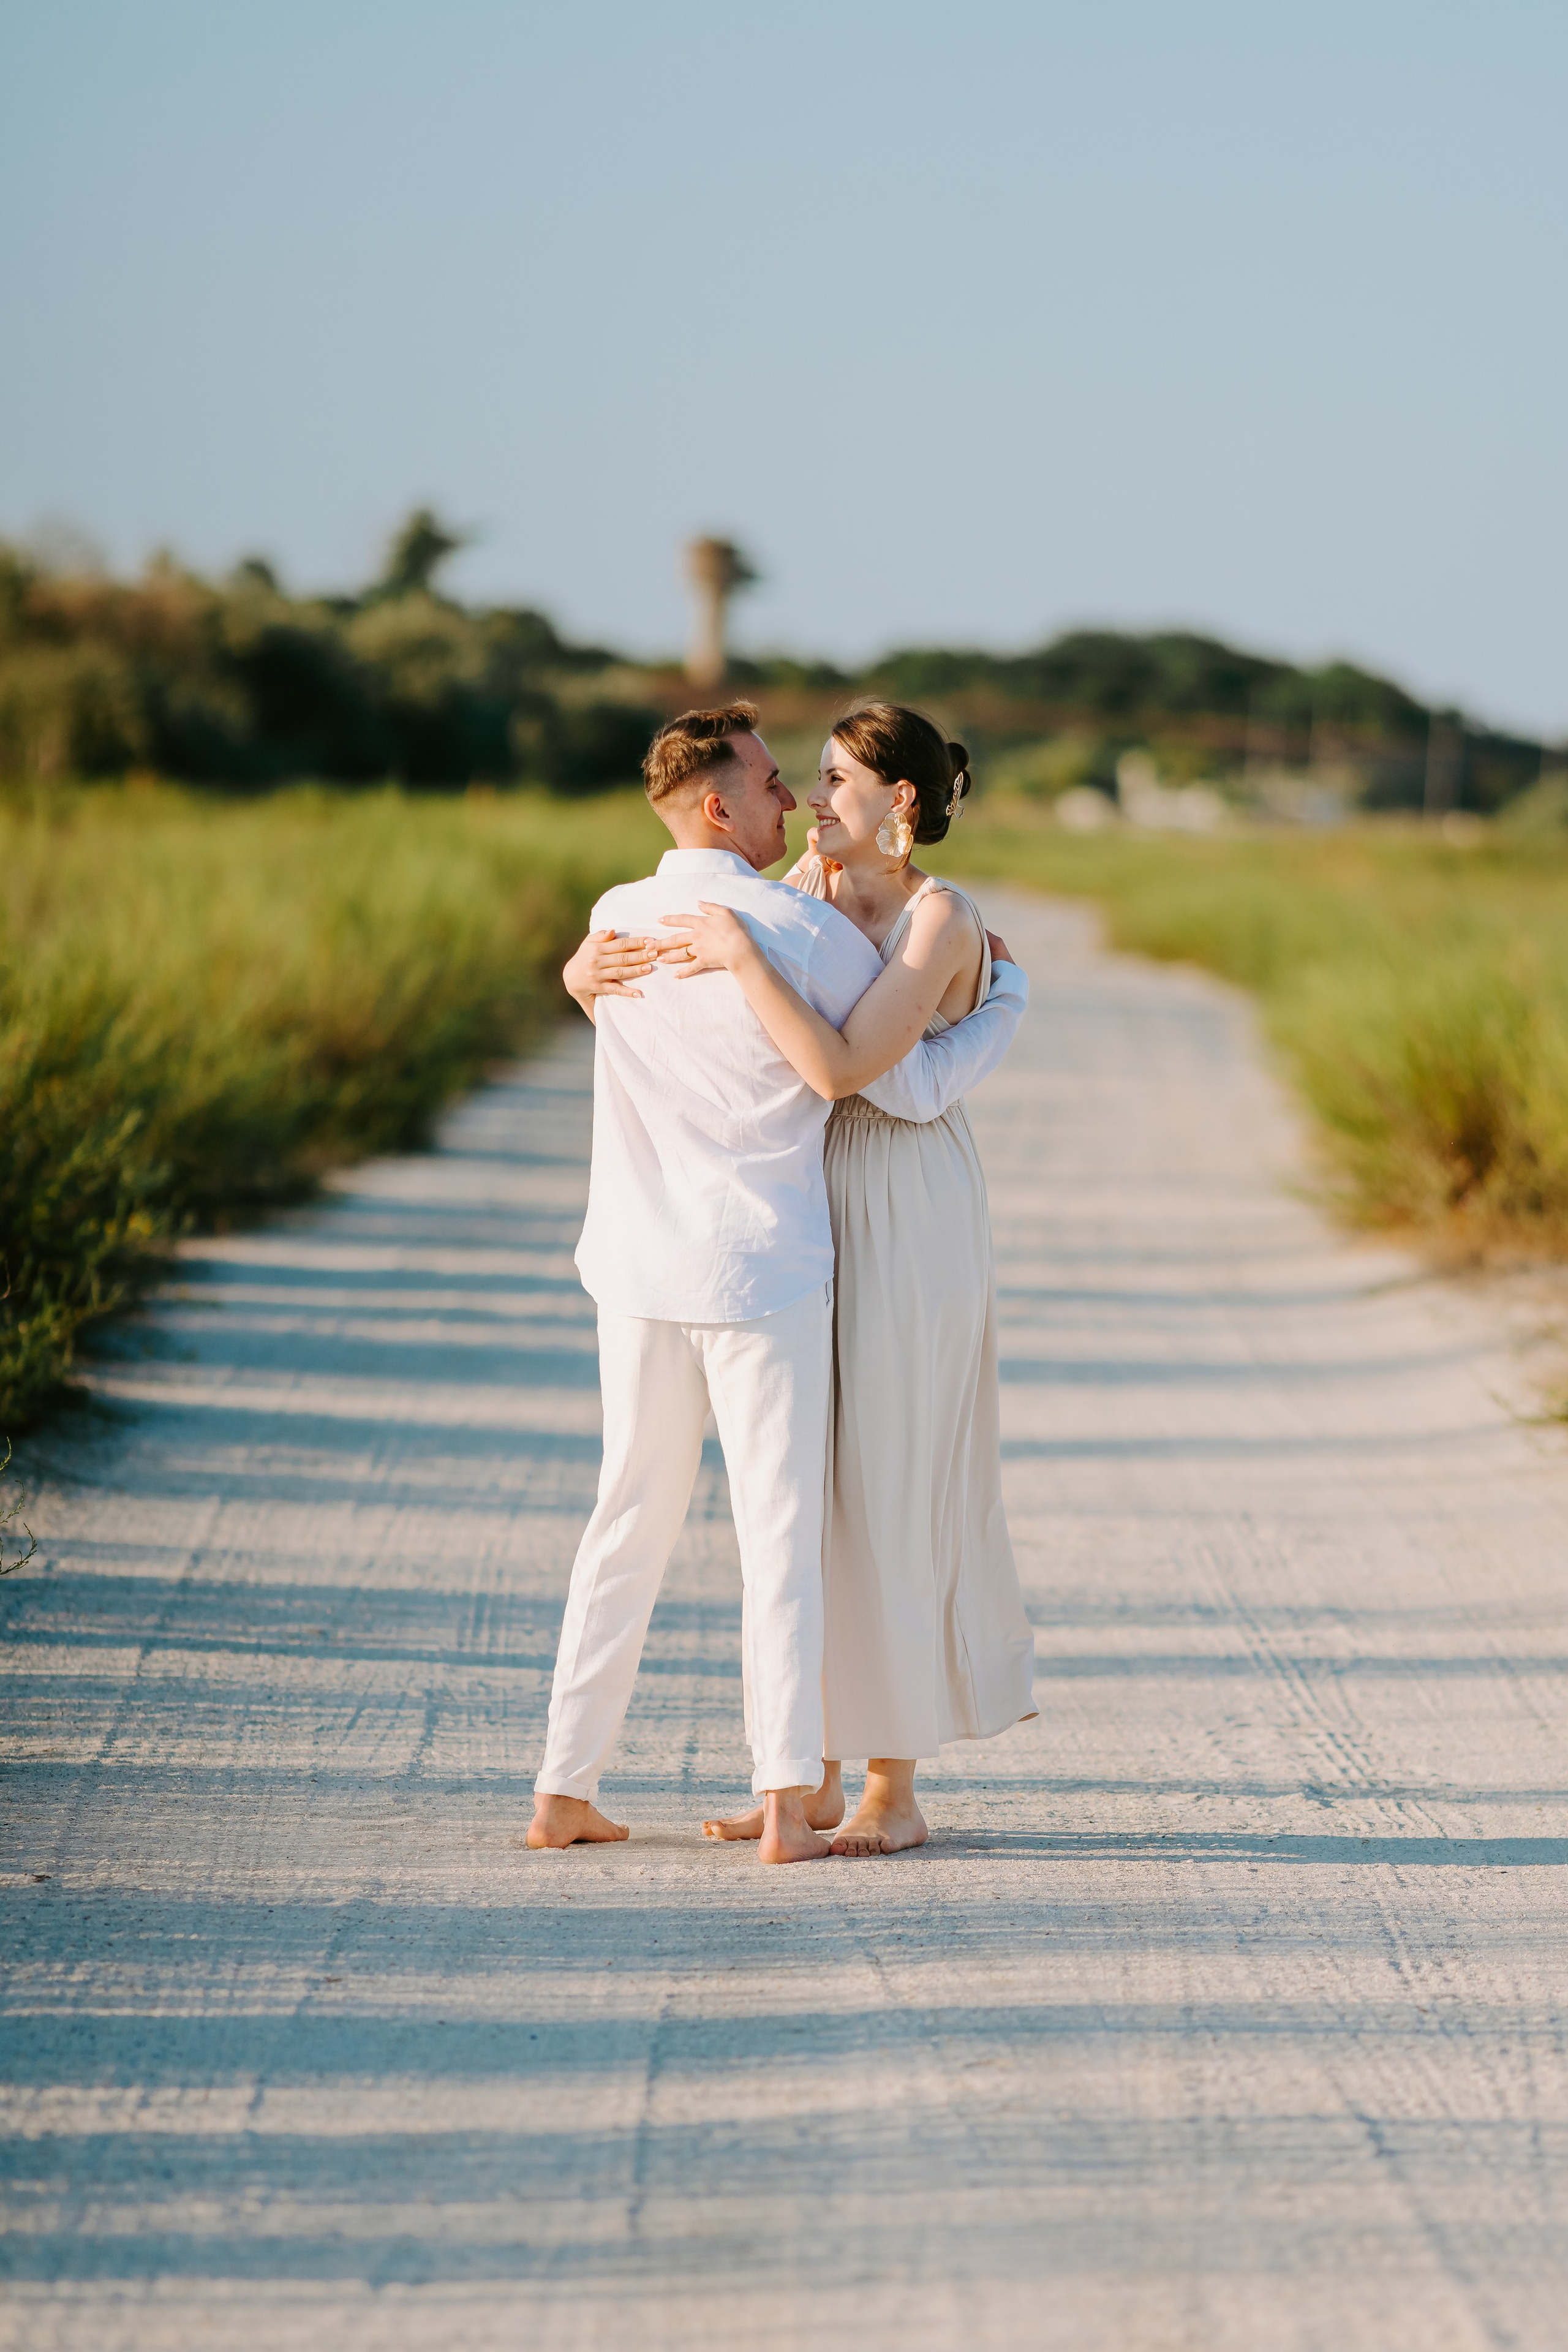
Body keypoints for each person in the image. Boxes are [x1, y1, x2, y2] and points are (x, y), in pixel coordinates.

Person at [527, 703, 1027, 1863]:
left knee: (846, 1488)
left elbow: (888, 1082)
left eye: (828, 778)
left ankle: (854, 1789)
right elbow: (837, 1057)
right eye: (785, 780)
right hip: (786, 1234)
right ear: (722, 803)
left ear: (898, 801)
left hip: (853, 1220)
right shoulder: (808, 920)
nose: (801, 800)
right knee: (802, 1516)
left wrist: (1005, 1001)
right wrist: (1003, 1000)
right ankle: (792, 1791)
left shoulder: (908, 916)